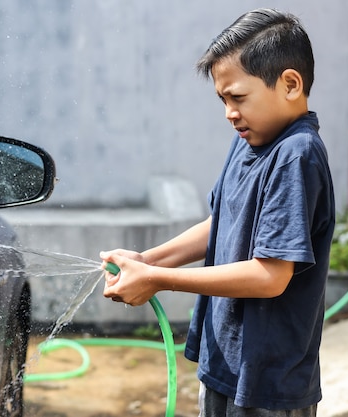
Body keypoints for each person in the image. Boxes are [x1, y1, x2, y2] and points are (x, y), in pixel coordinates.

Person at [100, 8, 335, 417]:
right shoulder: (247, 142)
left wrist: (157, 279)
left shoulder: (296, 155)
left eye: (238, 97)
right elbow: (221, 224)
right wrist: (146, 260)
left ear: (290, 84)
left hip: (268, 383)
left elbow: (270, 276)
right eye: (223, 99)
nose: (229, 112)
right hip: (226, 362)